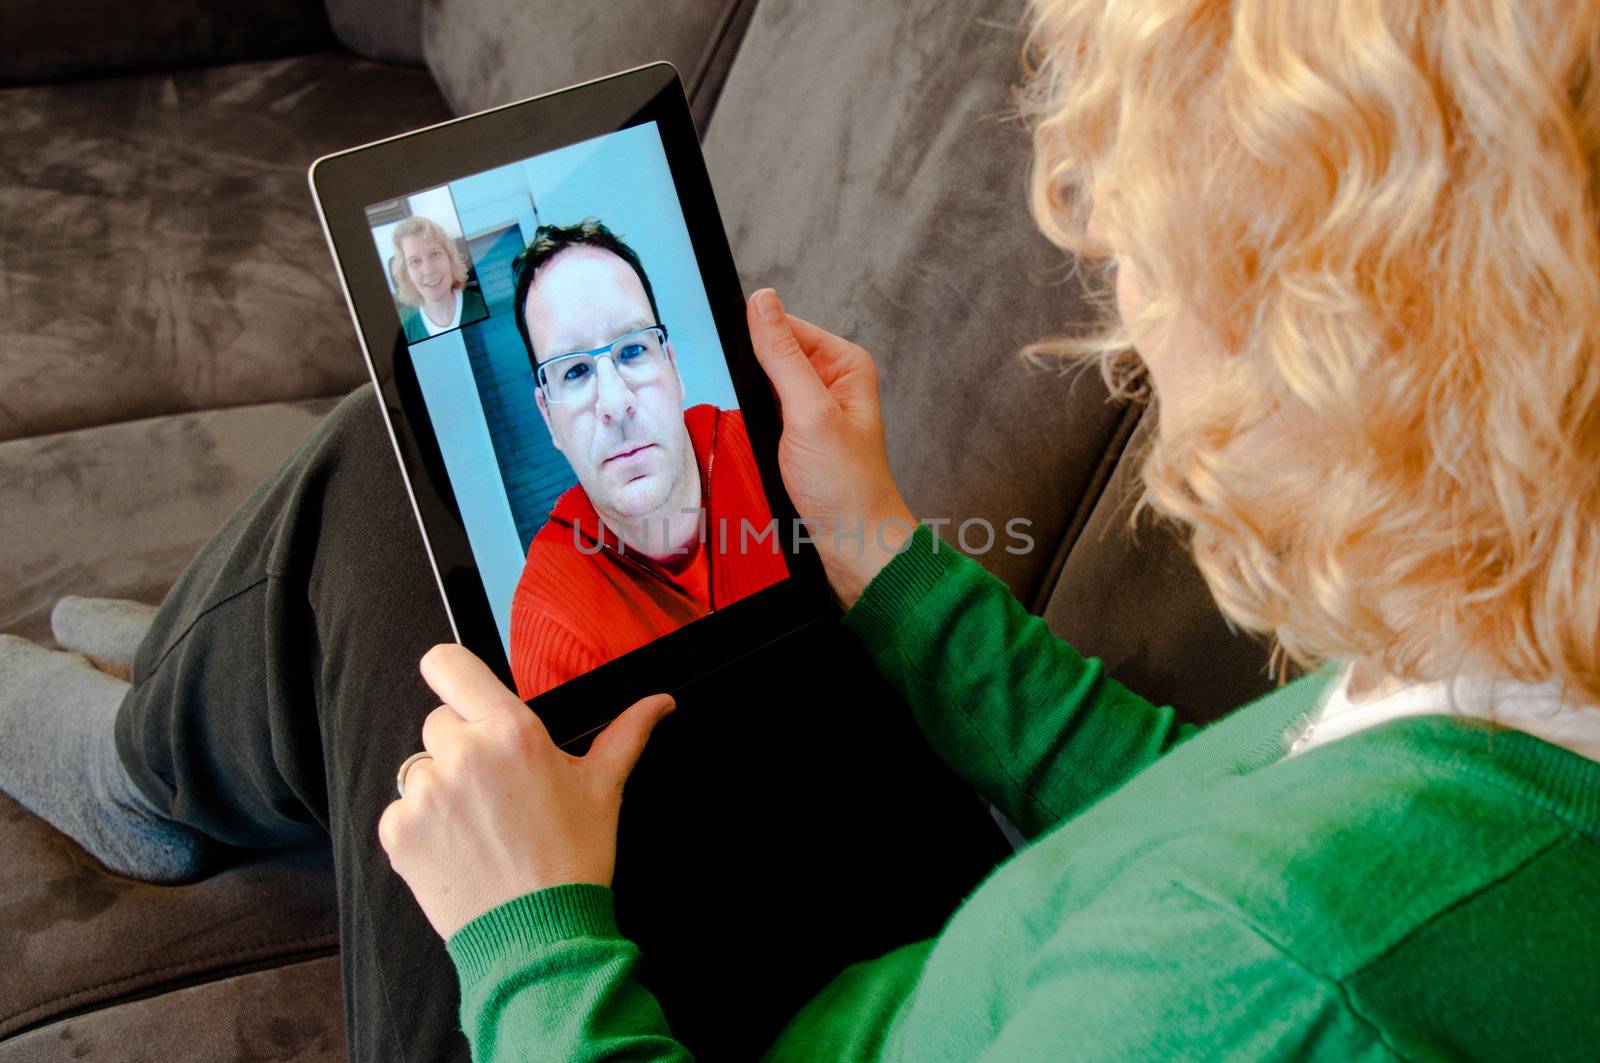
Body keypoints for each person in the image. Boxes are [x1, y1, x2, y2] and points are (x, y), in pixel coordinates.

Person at [1, 0, 1597, 1060]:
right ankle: (256, 705)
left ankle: (169, 759)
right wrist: (891, 552)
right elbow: (1201, 799)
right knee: (412, 517)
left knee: (373, 504)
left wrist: (529, 937)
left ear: (1351, 349)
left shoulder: (1275, 978)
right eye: (573, 373)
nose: (1125, 305)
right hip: (952, 960)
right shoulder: (1523, 657)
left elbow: (1241, 921)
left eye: (1160, 252)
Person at [505, 220, 788, 698]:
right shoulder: (549, 621)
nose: (615, 404)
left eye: (633, 349)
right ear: (548, 418)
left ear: (673, 367)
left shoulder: (780, 451)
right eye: (574, 371)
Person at [389, 215, 488, 343]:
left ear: (450, 258)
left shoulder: (482, 305)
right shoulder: (400, 326)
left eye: (435, 254)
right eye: (415, 261)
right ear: (406, 273)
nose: (428, 270)